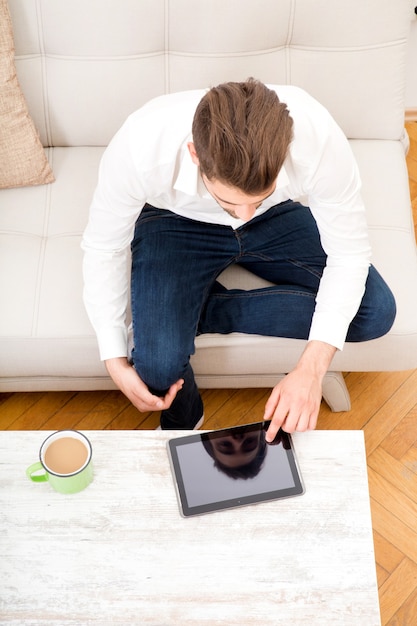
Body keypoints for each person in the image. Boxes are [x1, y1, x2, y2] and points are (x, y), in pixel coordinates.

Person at [82, 78, 396, 441]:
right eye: (232, 203)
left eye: (256, 197)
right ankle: (186, 411)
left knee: (375, 311)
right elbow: (104, 247)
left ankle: (203, 311)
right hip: (176, 222)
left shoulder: (315, 134)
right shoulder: (141, 145)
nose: (242, 217)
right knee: (155, 367)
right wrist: (113, 357)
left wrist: (311, 369)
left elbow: (349, 253)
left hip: (275, 217)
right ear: (195, 155)